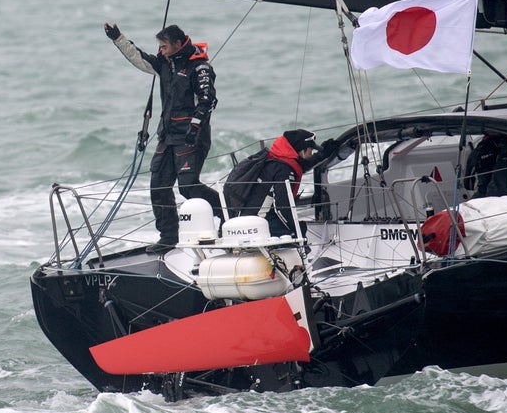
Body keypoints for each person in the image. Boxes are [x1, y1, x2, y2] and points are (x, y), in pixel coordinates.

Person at [104, 22, 223, 254]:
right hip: (167, 137)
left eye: (165, 46)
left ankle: (229, 214)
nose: (161, 50)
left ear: (178, 44)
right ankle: (169, 236)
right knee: (158, 186)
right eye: (159, 46)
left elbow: (208, 101)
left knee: (188, 187)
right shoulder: (164, 64)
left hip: (191, 137)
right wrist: (117, 37)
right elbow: (139, 58)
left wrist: (195, 126)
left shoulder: (199, 68)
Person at [231, 129, 335, 238]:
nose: (311, 153)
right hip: (259, 222)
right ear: (302, 150)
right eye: (310, 150)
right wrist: (296, 229)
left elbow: (300, 165)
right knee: (298, 229)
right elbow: (281, 207)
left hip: (251, 216)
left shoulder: (278, 161)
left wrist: (321, 155)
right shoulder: (283, 170)